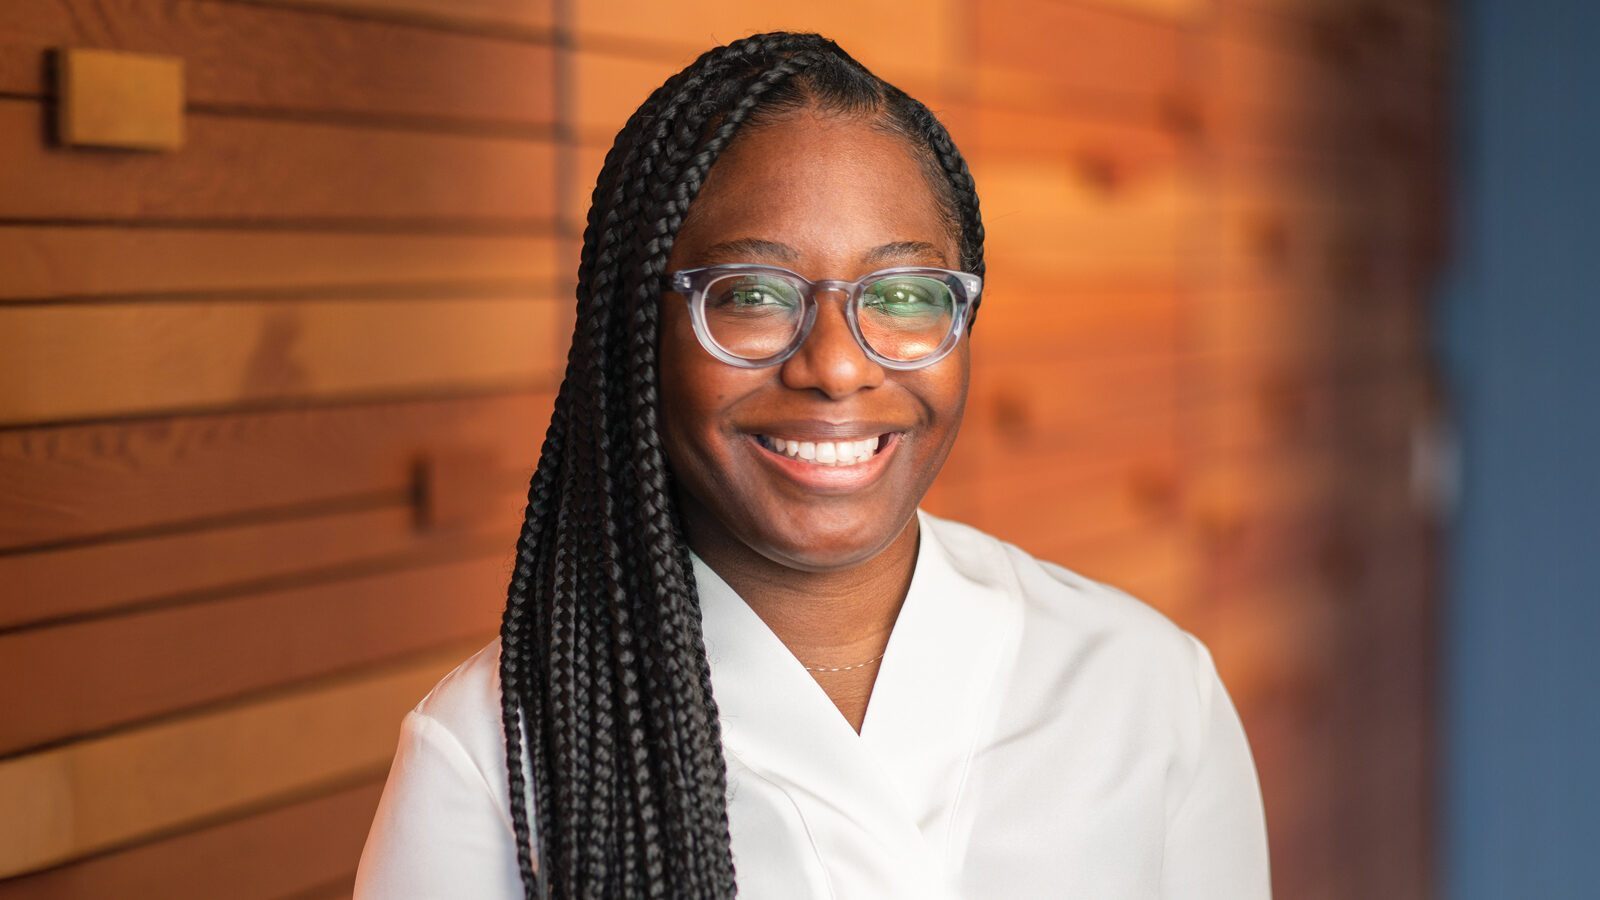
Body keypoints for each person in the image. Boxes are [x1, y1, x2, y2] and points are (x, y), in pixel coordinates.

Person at [353, 30, 1270, 899]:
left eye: (904, 294)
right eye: (751, 295)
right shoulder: (492, 754)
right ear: (639, 333)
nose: (835, 364)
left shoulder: (1144, 686)